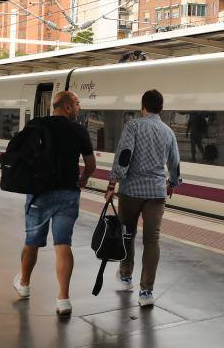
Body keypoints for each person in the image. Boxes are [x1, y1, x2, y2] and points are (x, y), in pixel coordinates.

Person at [12, 91, 96, 318]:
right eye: (78, 104)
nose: (79, 107)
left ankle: (24, 284)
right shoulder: (78, 131)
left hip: (39, 193)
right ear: (68, 107)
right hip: (68, 194)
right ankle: (63, 299)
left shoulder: (36, 125)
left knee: (31, 242)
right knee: (63, 244)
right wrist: (83, 178)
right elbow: (90, 163)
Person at [104, 89, 181, 308]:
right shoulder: (168, 132)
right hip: (156, 192)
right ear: (162, 108)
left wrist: (112, 184)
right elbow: (175, 162)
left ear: (142, 107)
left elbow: (124, 156)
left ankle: (126, 275)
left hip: (131, 190)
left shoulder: (134, 126)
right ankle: (146, 292)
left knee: (127, 233)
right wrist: (172, 183)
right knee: (152, 240)